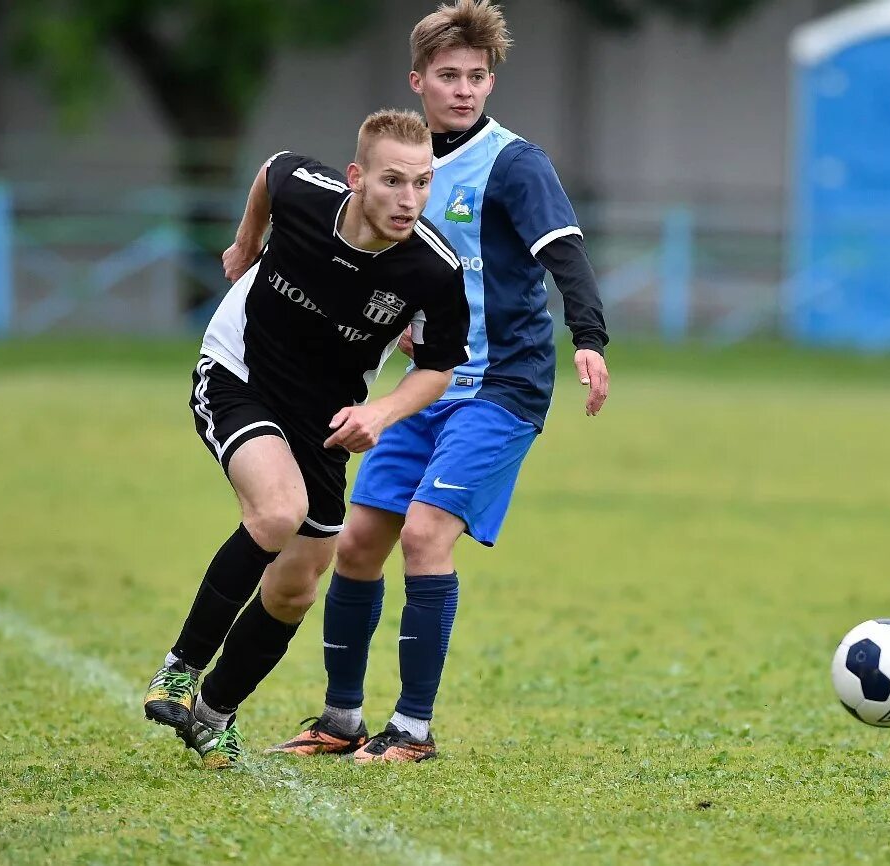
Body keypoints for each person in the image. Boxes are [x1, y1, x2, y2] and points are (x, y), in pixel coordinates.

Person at [267, 0, 611, 763]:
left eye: (478, 76)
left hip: (503, 386)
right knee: (357, 544)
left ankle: (413, 731)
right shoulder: (402, 167)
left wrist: (589, 339)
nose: (464, 89)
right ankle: (342, 718)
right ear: (417, 79)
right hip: (425, 385)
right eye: (450, 75)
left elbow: (565, 256)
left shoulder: (515, 164)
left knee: (424, 535)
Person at [141, 109, 471, 768]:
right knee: (277, 511)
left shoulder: (432, 268)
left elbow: (439, 366)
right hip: (241, 373)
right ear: (356, 179)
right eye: (393, 182)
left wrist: (380, 413)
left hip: (326, 415)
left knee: (296, 586)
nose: (410, 200)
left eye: (423, 183)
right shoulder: (306, 192)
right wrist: (245, 243)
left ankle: (213, 713)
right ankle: (179, 669)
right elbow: (271, 171)